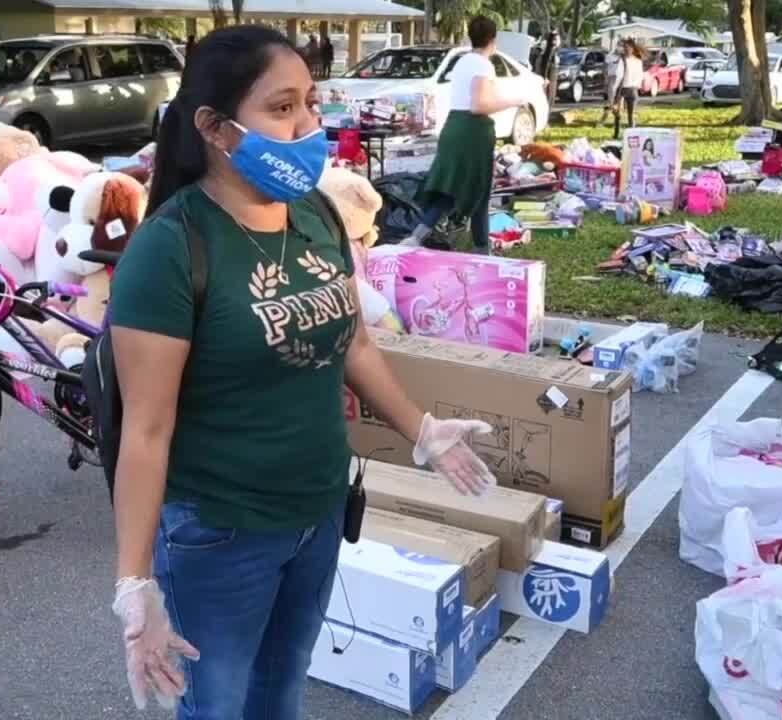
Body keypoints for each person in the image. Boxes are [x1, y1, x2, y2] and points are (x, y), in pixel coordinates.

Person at [106, 24, 496, 719]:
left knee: (281, 690)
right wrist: (134, 580)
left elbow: (355, 346)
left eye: (311, 102)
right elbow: (147, 430)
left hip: (318, 512)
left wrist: (423, 430)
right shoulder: (171, 248)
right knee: (217, 706)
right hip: (221, 532)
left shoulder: (316, 214)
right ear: (215, 128)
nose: (309, 125)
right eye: (282, 108)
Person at [399, 16, 525, 253]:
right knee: (479, 190)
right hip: (472, 132)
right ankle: (481, 249)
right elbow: (479, 105)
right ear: (493, 39)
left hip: (454, 126)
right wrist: (513, 101)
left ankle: (417, 237)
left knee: (451, 188)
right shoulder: (483, 65)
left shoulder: (462, 61)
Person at [614, 38, 644, 139]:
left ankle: (624, 134)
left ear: (632, 48)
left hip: (627, 89)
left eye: (627, 47)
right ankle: (624, 134)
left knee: (625, 113)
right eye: (625, 47)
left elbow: (619, 75)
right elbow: (640, 75)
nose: (626, 49)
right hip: (628, 89)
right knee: (625, 113)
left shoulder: (628, 60)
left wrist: (615, 88)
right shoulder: (634, 60)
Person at [598, 41, 624, 127]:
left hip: (620, 83)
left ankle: (617, 123)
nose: (621, 48)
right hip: (610, 82)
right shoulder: (609, 56)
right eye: (620, 46)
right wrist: (606, 79)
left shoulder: (624, 58)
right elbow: (604, 69)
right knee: (608, 104)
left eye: (622, 46)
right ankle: (602, 121)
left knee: (619, 104)